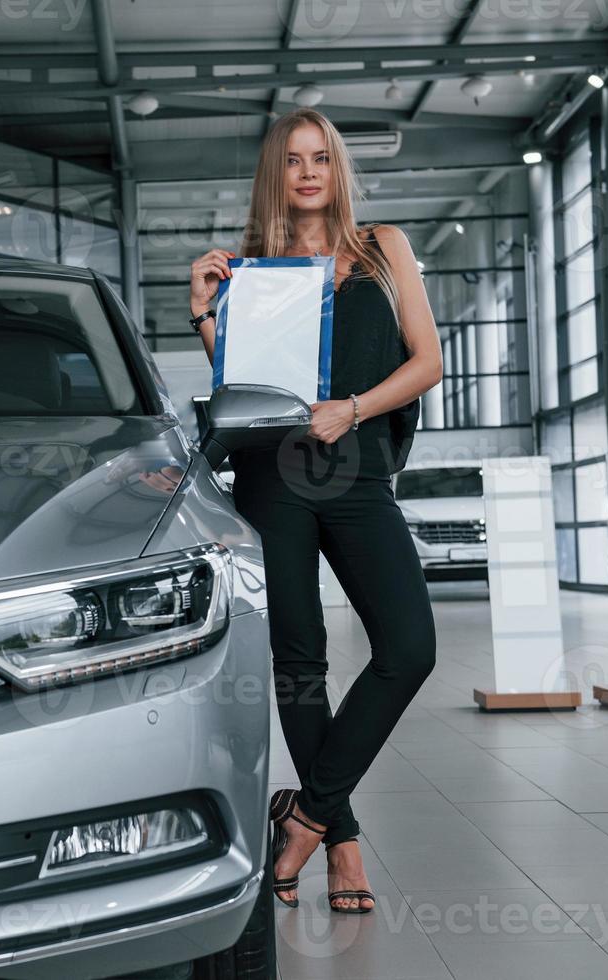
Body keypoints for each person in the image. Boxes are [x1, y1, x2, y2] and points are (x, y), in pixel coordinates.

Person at [188, 107, 442, 914]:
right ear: (276, 174)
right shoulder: (254, 270)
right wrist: (205, 312)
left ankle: (301, 816)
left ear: (338, 171)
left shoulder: (384, 249)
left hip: (358, 470)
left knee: (409, 646)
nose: (307, 173)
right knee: (299, 662)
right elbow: (245, 391)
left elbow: (429, 361)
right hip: (276, 477)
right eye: (293, 160)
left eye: (321, 159)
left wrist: (354, 408)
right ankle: (340, 844)